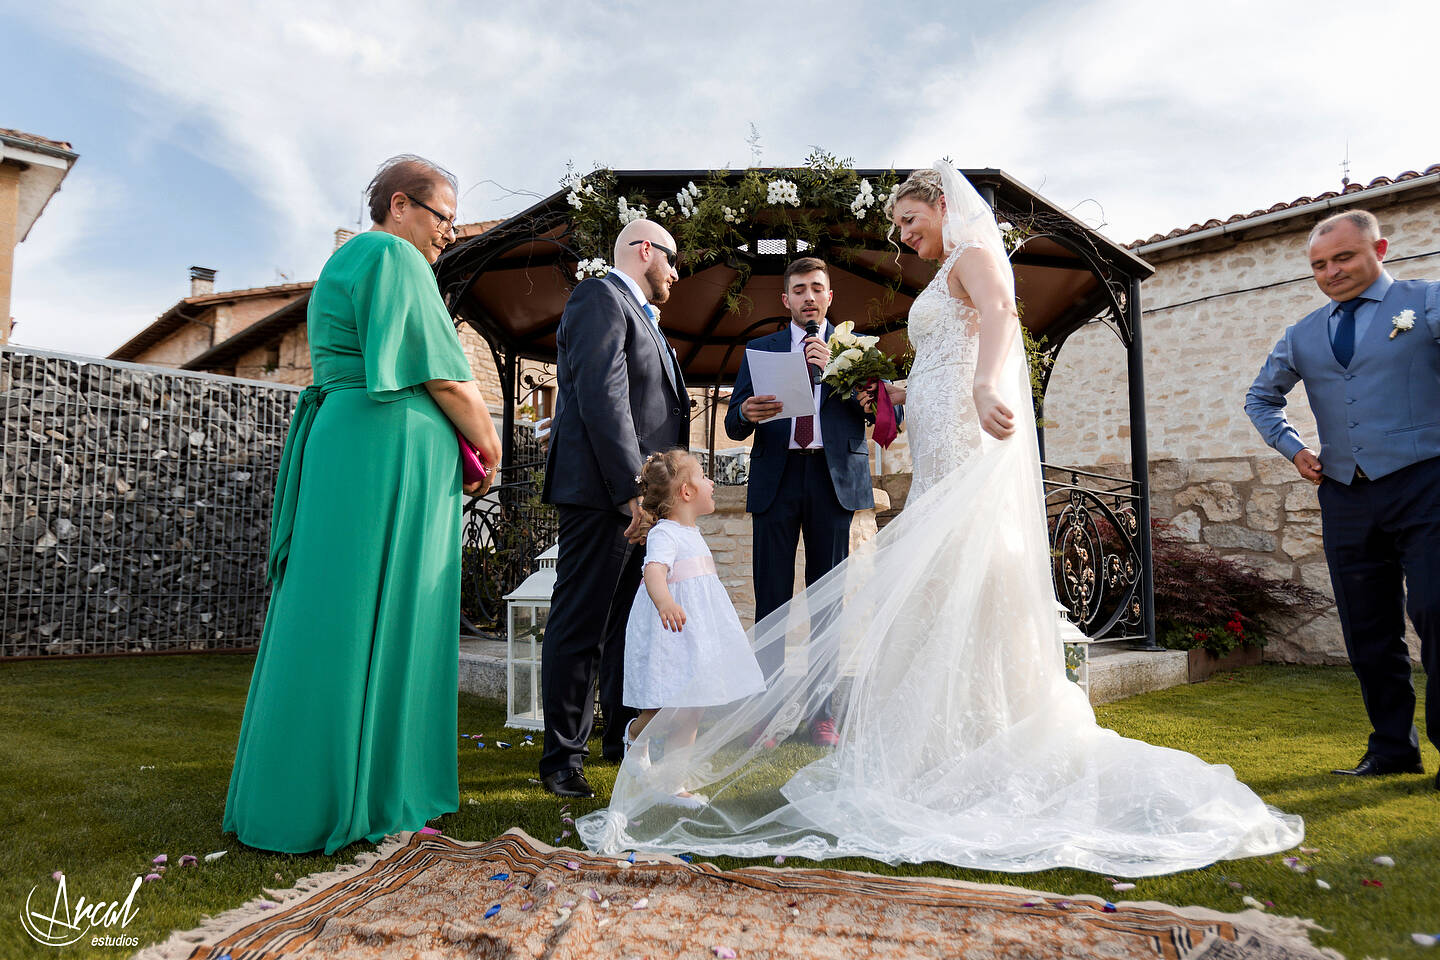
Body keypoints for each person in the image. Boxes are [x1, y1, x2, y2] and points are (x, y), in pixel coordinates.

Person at [578, 163, 1303, 876]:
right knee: (869, 595)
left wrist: (936, 384)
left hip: (869, 474)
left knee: (931, 584)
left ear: (938, 204)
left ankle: (913, 728)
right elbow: (776, 406)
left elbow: (997, 319)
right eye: (896, 226)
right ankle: (861, 728)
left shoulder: (967, 264)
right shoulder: (796, 330)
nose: (902, 237)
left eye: (908, 221)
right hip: (791, 481)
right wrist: (842, 394)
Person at [224, 155, 502, 854]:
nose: (449, 234)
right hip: (387, 450)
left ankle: (293, 795)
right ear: (402, 204)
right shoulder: (391, 254)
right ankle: (374, 796)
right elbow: (446, 375)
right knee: (385, 609)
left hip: (347, 444)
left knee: (330, 613)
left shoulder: (342, 264)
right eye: (444, 217)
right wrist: (489, 444)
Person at [1246, 209, 1440, 788]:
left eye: (1344, 257)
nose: (1332, 272)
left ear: (1378, 248)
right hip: (1347, 495)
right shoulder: (1301, 334)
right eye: (1319, 265)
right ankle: (1391, 748)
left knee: (1436, 612)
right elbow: (1261, 399)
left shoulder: (1424, 302)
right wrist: (1293, 449)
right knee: (1366, 625)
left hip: (1427, 481)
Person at [538, 219, 690, 799]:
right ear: (644, 250)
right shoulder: (600, 296)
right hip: (605, 495)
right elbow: (602, 393)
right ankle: (562, 760)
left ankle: (616, 738)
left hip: (641, 502)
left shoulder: (648, 321)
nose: (675, 274)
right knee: (581, 622)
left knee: (629, 624)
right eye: (672, 260)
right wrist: (632, 488)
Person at [724, 257, 888, 746]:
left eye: (817, 288)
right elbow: (733, 424)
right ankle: (767, 714)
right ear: (786, 300)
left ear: (830, 298)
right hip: (777, 479)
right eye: (799, 290)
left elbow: (879, 417)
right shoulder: (762, 350)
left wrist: (858, 392)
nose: (809, 297)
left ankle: (822, 715)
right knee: (771, 602)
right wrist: (746, 413)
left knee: (828, 605)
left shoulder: (855, 350)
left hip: (832, 479)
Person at [619, 449, 766, 807]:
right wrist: (666, 601)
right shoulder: (665, 534)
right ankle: (635, 739)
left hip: (696, 633)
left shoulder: (691, 532)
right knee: (665, 705)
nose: (711, 482)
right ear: (686, 492)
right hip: (669, 632)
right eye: (703, 477)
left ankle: (673, 784)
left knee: (693, 707)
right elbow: (654, 571)